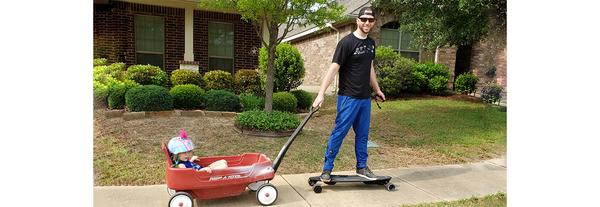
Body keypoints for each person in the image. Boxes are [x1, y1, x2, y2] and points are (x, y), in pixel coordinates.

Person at [311, 7, 386, 182]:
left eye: (370, 20)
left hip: (364, 99)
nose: (367, 23)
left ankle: (361, 166)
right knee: (339, 133)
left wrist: (377, 90)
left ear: (374, 22)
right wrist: (321, 94)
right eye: (364, 19)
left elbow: (369, 68)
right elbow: (334, 68)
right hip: (348, 98)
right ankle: (326, 169)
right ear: (357, 21)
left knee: (363, 135)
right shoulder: (346, 43)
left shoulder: (370, 44)